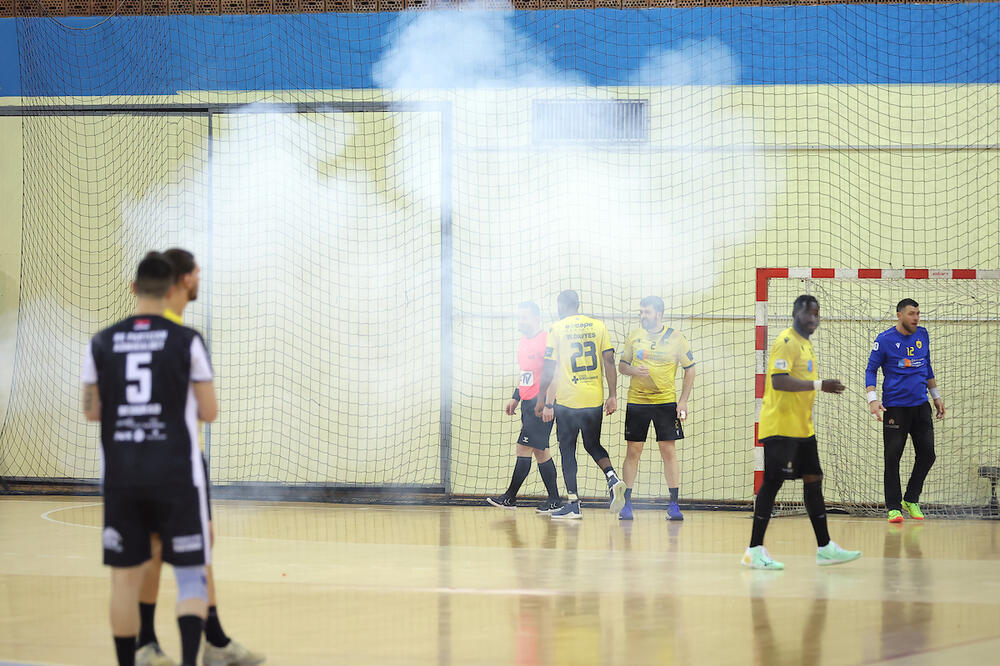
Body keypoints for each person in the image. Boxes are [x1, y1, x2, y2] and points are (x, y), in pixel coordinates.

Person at [82, 252, 216, 666]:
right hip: (176, 475)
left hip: (123, 476)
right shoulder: (187, 340)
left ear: (133, 288)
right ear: (173, 289)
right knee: (191, 573)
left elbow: (91, 410)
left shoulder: (101, 341)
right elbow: (208, 412)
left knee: (124, 581)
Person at [135, 249, 264, 666]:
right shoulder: (180, 337)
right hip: (178, 462)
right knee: (181, 553)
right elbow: (207, 409)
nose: (199, 278)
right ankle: (163, 644)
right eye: (196, 273)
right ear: (183, 280)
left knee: (191, 548)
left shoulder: (132, 334)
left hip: (143, 460)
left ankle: (209, 640)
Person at [742, 294, 861, 569]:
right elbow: (779, 381)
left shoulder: (806, 345)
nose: (814, 319)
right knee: (772, 483)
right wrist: (820, 385)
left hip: (802, 429)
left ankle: (825, 548)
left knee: (813, 478)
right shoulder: (786, 342)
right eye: (810, 314)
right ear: (797, 314)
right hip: (781, 428)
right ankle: (754, 550)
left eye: (817, 314)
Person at [535, 290, 625, 520]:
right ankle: (612, 476)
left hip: (567, 400)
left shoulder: (556, 329)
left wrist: (544, 401)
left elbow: (549, 369)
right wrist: (613, 395)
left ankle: (573, 504)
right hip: (593, 398)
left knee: (567, 450)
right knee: (593, 444)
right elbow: (610, 360)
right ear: (578, 304)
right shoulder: (598, 326)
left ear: (561, 306)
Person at [865, 298, 945, 523]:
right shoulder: (885, 340)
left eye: (918, 313)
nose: (916, 318)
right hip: (896, 408)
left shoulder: (923, 334)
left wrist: (936, 397)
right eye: (912, 314)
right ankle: (893, 507)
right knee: (893, 457)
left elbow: (927, 366)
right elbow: (871, 370)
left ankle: (911, 499)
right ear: (899, 315)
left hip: (920, 406)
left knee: (928, 454)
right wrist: (872, 400)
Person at [617, 296, 696, 521]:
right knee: (633, 451)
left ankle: (673, 505)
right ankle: (627, 504)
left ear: (659, 314)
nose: (642, 316)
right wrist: (634, 371)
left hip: (665, 402)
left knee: (668, 451)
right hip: (637, 401)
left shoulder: (676, 338)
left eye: (647, 312)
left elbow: (690, 370)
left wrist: (682, 401)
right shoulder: (634, 336)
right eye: (641, 312)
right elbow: (622, 366)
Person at [487, 302, 563, 513]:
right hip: (527, 404)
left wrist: (548, 404)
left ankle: (510, 498)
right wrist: (516, 397)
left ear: (537, 318)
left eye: (525, 317)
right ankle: (555, 501)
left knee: (524, 447)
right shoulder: (523, 341)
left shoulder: (546, 340)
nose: (520, 321)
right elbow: (526, 374)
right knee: (541, 452)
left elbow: (551, 374)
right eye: (518, 317)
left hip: (540, 406)